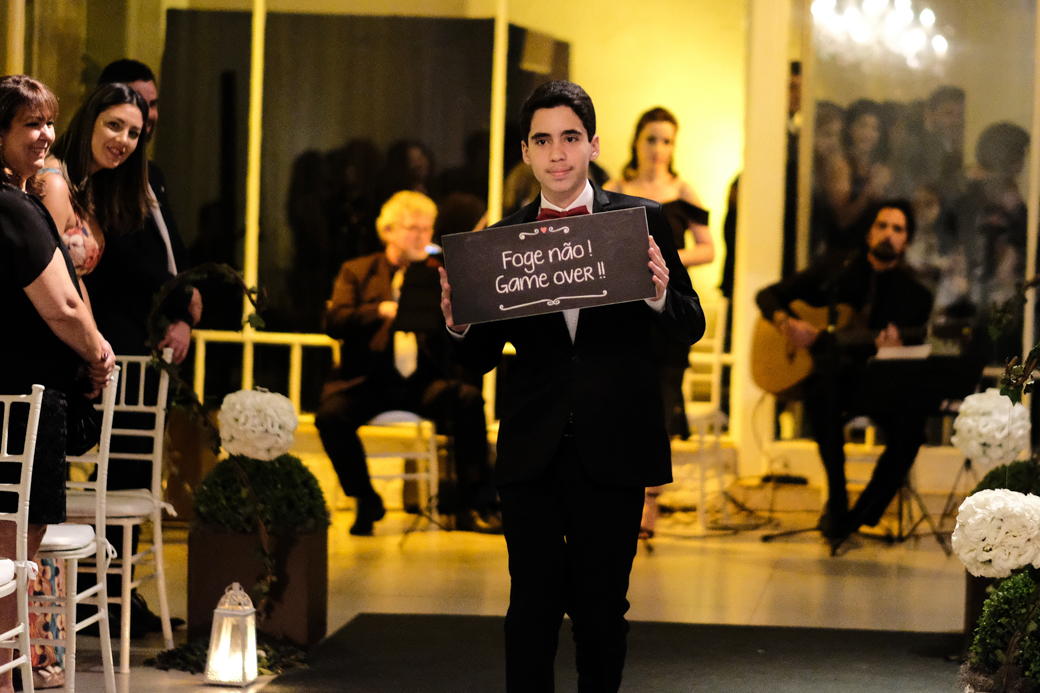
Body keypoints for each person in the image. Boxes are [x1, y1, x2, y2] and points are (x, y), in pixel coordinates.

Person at [439, 81, 705, 691]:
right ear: (526, 154)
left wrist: (660, 294)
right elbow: (477, 358)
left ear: (592, 146)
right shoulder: (502, 241)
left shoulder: (641, 221)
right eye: (542, 140)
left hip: (615, 446)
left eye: (569, 138)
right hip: (532, 449)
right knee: (529, 608)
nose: (557, 153)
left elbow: (690, 325)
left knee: (601, 611)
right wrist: (458, 323)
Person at [0, 74, 116, 693]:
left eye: (48, 123)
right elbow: (62, 309)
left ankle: (17, 669)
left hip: (28, 393)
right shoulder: (10, 207)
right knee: (14, 541)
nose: (44, 135)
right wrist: (97, 353)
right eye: (29, 124)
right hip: (22, 397)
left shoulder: (22, 201)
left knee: (18, 541)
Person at [316, 190, 499, 536]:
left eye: (428, 229)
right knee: (330, 417)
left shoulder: (437, 272)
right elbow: (334, 321)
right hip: (368, 379)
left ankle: (477, 503)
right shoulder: (358, 271)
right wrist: (380, 310)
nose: (422, 237)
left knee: (468, 401)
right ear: (388, 231)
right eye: (413, 228)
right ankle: (366, 498)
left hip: (420, 380)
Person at [756, 200, 933, 551]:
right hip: (834, 377)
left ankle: (860, 514)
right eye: (882, 226)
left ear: (907, 242)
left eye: (898, 230)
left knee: (912, 429)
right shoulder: (838, 267)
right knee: (822, 397)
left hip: (877, 381)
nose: (888, 235)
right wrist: (786, 323)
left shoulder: (916, 296)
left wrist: (892, 350)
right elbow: (768, 295)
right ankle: (837, 501)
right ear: (869, 232)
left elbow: (915, 350)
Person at [605, 106, 714, 536]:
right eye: (651, 138)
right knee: (619, 402)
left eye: (667, 141)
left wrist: (668, 261)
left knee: (661, 403)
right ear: (637, 140)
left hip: (665, 307)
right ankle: (618, 495)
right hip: (623, 312)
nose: (658, 149)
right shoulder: (614, 188)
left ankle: (650, 504)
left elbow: (709, 249)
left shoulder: (683, 190)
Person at [822, 99, 892, 250]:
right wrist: (870, 189)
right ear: (849, 128)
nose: (868, 133)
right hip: (843, 249)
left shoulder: (874, 166)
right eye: (862, 125)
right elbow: (842, 220)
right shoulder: (840, 164)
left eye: (874, 128)